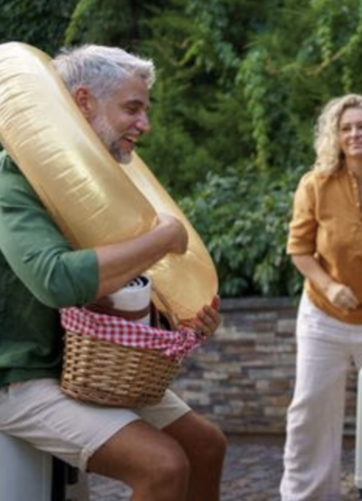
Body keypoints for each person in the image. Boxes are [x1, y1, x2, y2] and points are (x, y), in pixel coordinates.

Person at [0, 45, 226, 501]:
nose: (145, 124)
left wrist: (182, 318)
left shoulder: (102, 187)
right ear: (83, 102)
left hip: (82, 366)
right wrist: (163, 239)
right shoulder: (11, 181)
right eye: (133, 108)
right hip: (19, 375)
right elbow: (56, 281)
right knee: (162, 466)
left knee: (207, 447)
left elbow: (123, 289)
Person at [281, 93, 362, 501]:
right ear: (336, 137)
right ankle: (305, 497)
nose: (354, 134)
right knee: (310, 411)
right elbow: (299, 250)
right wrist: (330, 286)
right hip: (322, 317)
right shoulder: (316, 185)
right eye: (346, 128)